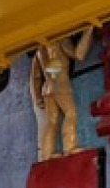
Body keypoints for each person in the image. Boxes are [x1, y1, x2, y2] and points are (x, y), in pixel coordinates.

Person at [30, 26, 94, 161]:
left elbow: (35, 77)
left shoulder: (39, 51)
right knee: (71, 114)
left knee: (51, 121)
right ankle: (70, 148)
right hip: (60, 83)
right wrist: (88, 31)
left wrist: (37, 97)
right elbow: (79, 54)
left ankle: (46, 154)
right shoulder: (61, 40)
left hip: (46, 87)